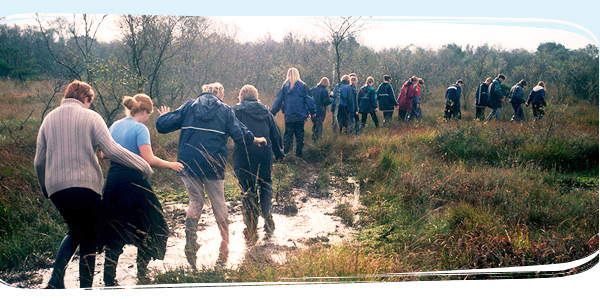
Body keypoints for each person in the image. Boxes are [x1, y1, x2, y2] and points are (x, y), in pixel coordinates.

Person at [34, 80, 153, 289]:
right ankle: (82, 287)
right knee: (87, 234)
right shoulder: (91, 117)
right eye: (90, 101)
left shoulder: (49, 118)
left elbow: (39, 160)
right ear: (86, 98)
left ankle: (57, 281)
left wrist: (45, 187)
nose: (89, 105)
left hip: (56, 189)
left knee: (77, 229)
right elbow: (113, 150)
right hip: (85, 187)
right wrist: (142, 165)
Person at [155, 82, 267, 268]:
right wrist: (255, 139)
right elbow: (239, 135)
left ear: (205, 92)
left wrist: (164, 116)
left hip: (188, 163)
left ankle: (191, 241)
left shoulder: (190, 106)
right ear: (220, 95)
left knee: (195, 201)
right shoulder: (225, 110)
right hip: (213, 164)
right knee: (218, 201)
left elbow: (162, 125)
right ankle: (225, 241)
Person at [98, 94, 184, 286]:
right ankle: (142, 274)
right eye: (149, 114)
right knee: (150, 226)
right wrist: (171, 164)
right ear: (144, 111)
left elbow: (103, 154)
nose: (148, 119)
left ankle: (108, 279)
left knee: (114, 230)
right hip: (134, 183)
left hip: (113, 183)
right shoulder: (140, 128)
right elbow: (149, 159)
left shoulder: (114, 126)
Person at [232, 85, 284, 244]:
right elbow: (275, 134)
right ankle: (267, 215)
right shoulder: (266, 111)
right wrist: (279, 153)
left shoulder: (236, 111)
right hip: (264, 152)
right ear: (256, 95)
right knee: (265, 183)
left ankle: (250, 221)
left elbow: (230, 130)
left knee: (247, 186)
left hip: (243, 153)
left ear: (241, 96)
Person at [271, 67, 316, 157]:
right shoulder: (302, 85)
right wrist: (312, 111)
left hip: (289, 115)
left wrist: (273, 112)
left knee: (288, 134)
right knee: (300, 135)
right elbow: (308, 99)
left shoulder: (285, 86)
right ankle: (299, 154)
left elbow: (278, 100)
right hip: (300, 115)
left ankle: (286, 153)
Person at [309, 77, 333, 142]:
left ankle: (313, 140)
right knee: (319, 126)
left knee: (315, 124)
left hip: (312, 111)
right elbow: (326, 101)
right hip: (320, 111)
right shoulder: (324, 91)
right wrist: (331, 97)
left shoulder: (313, 89)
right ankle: (317, 141)